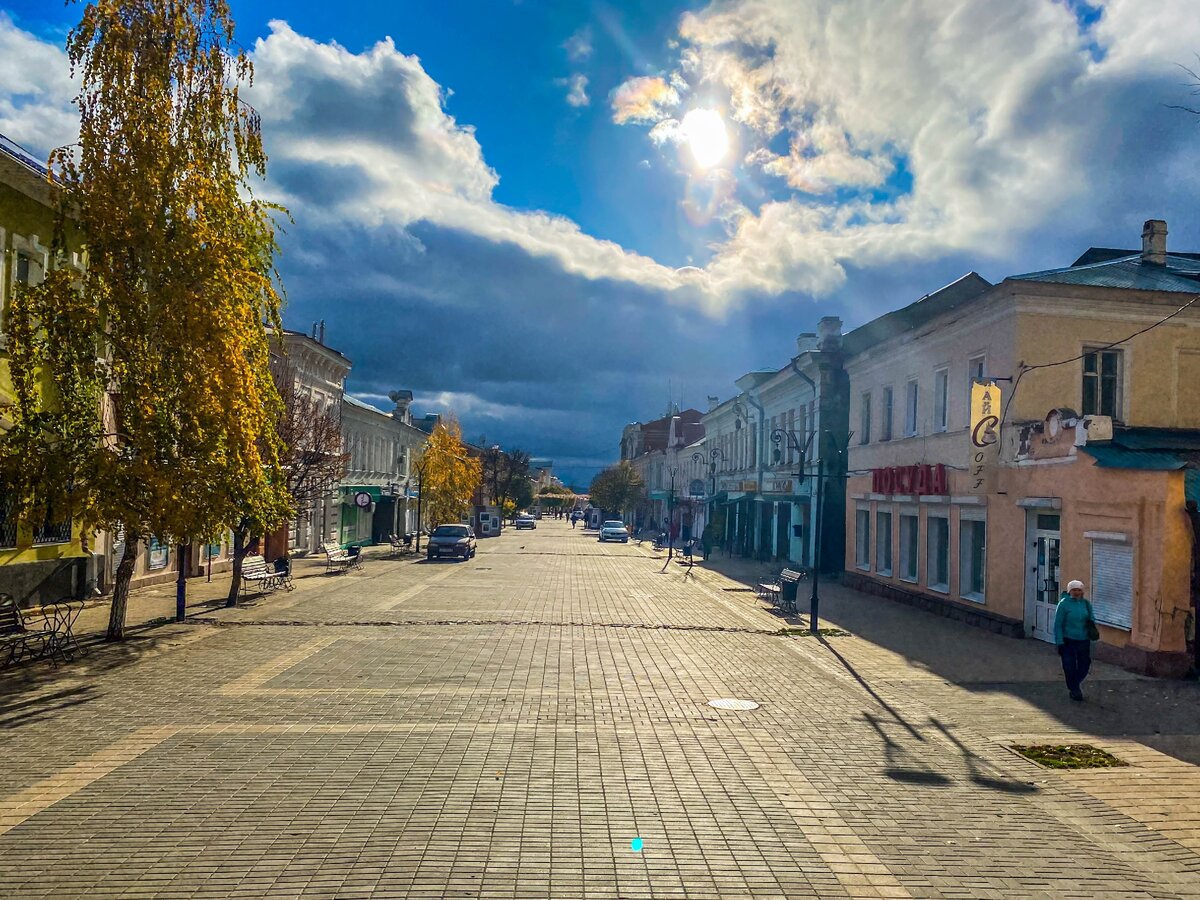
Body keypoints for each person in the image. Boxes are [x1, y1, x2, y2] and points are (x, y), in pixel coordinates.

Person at [1054, 579, 1098, 701]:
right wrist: (1059, 642)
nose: (1077, 592)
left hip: (1083, 640)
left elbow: (1092, 618)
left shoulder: (1086, 604)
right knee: (1069, 666)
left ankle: (1075, 684)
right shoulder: (1063, 604)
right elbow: (1058, 624)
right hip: (1067, 640)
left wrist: (1091, 625)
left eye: (1079, 590)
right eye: (1074, 590)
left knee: (1084, 665)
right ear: (1069, 591)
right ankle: (1074, 689)